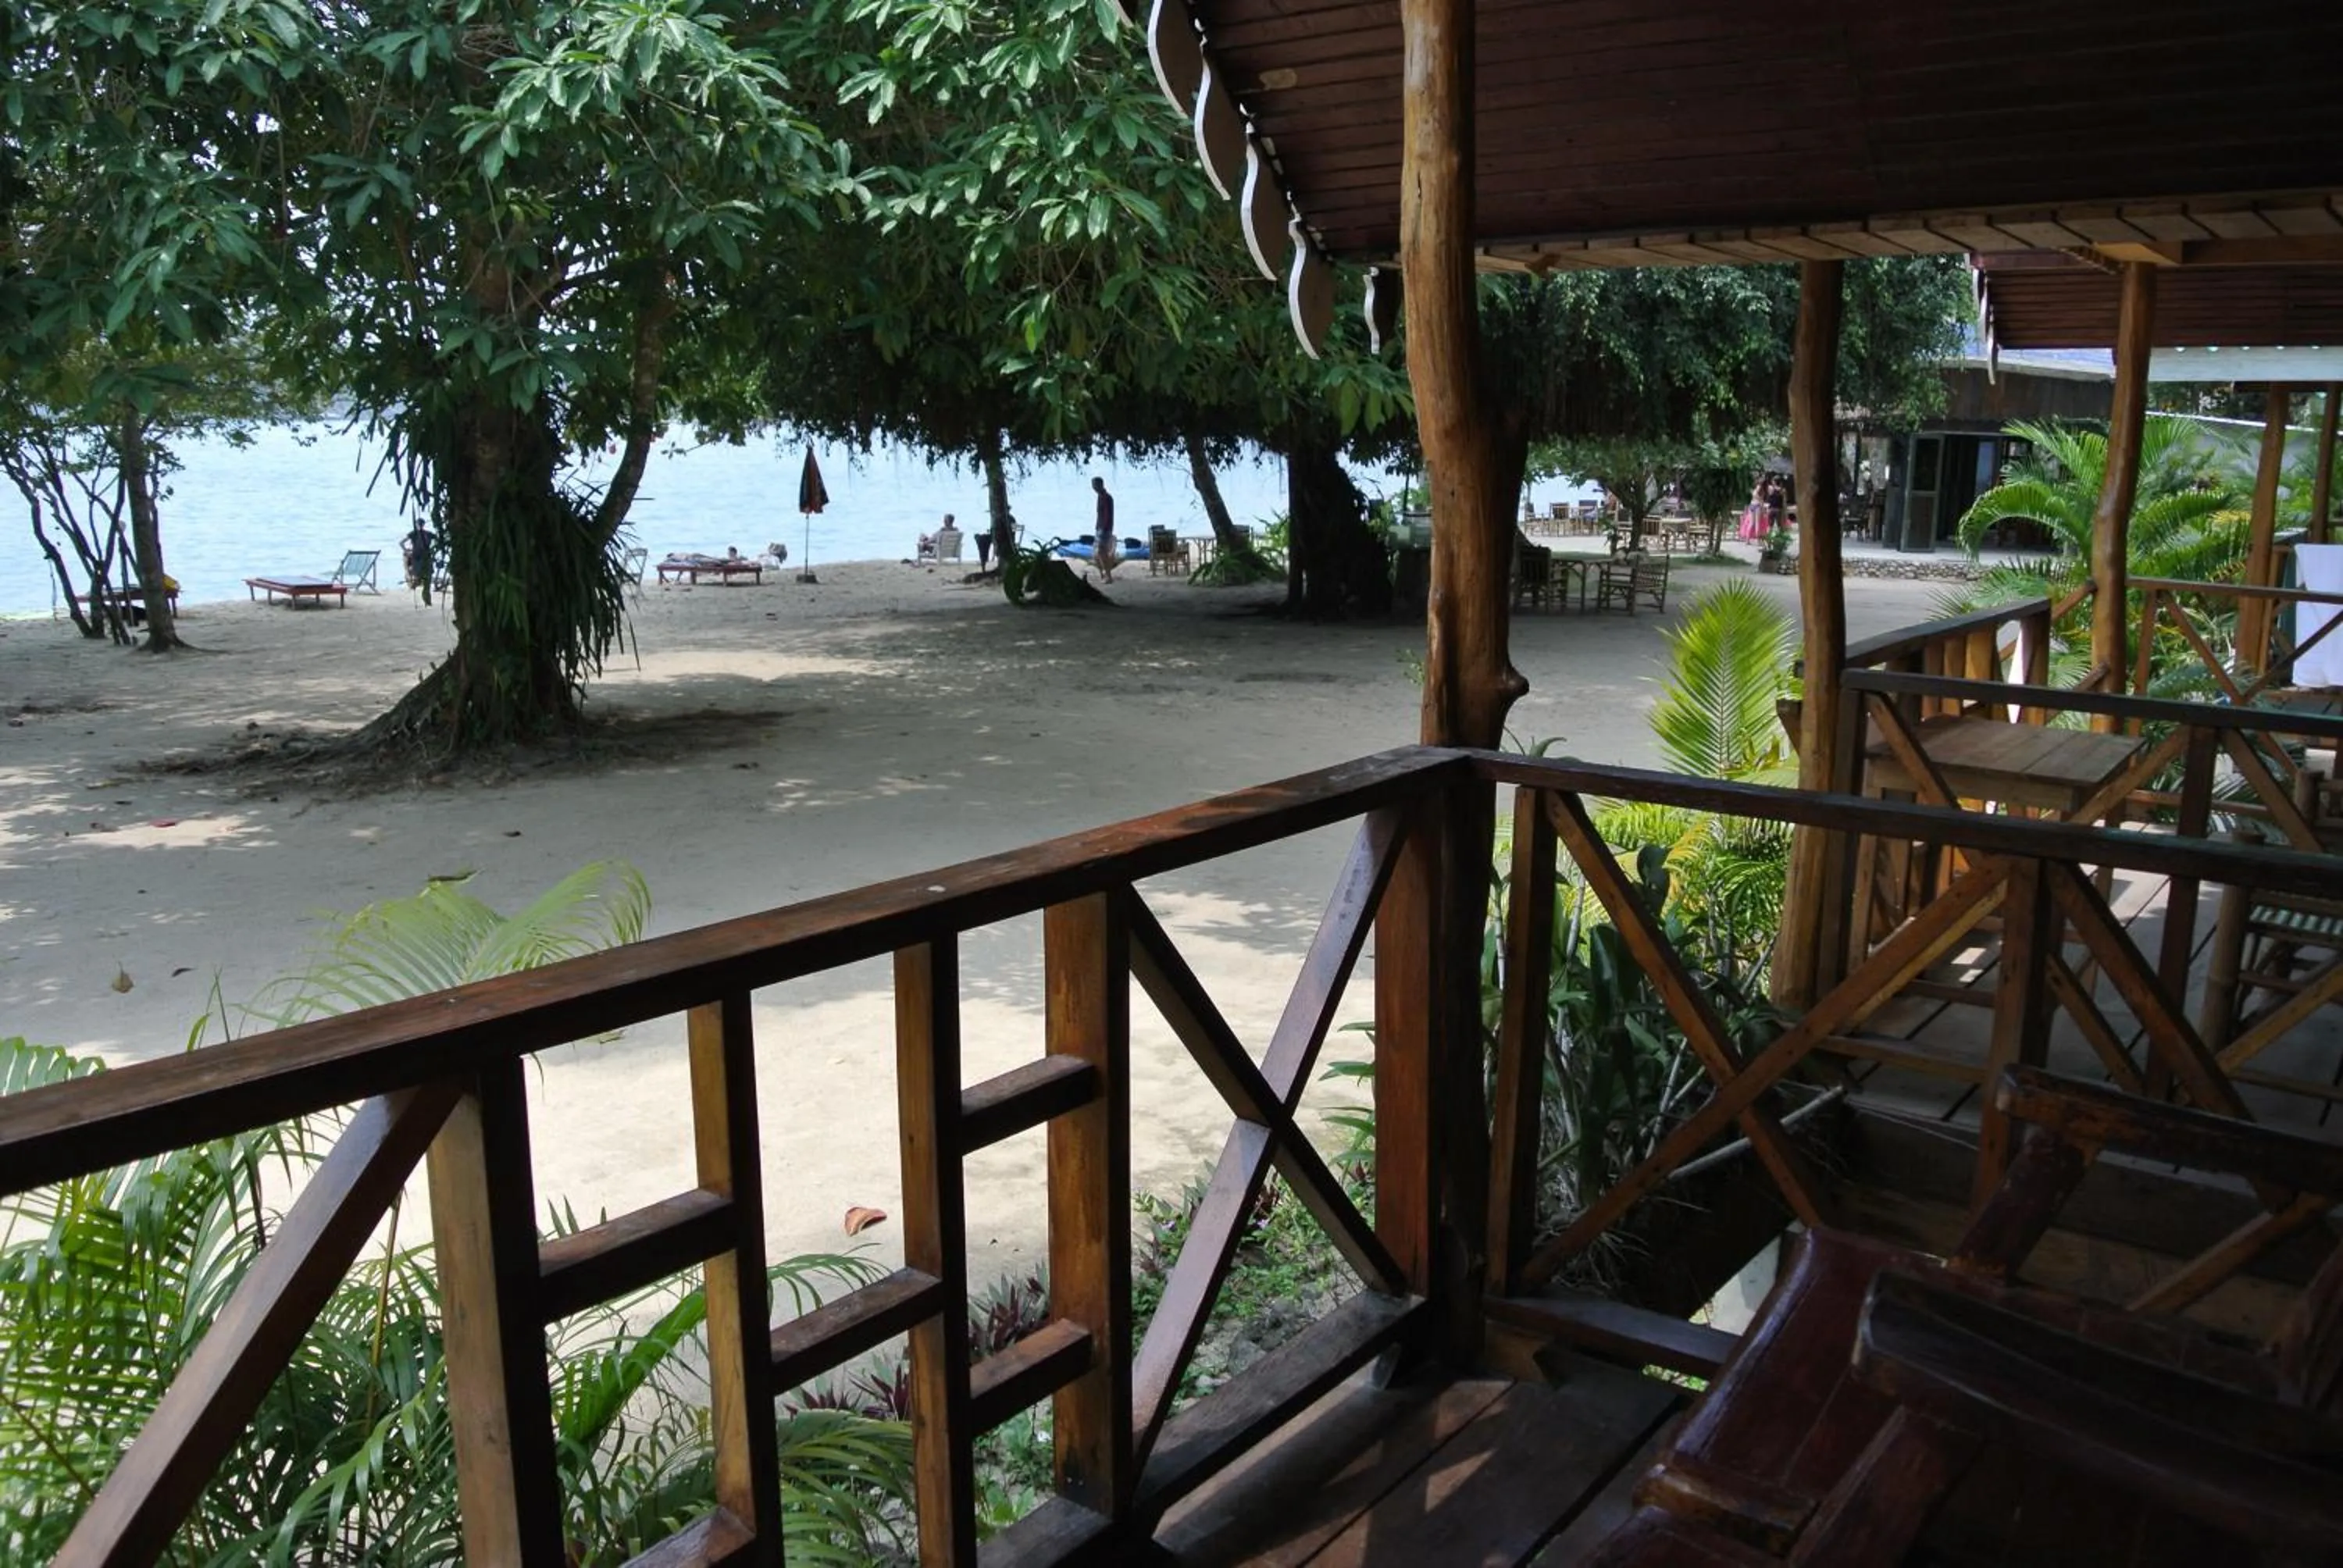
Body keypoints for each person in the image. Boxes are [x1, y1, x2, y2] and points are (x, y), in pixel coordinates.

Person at [1091, 476, 1118, 583]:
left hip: (1105, 528)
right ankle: (1104, 574)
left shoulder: (1107, 497)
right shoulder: (1100, 496)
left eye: (1095, 485)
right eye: (1093, 485)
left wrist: (1103, 528)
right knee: (1098, 553)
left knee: (1102, 552)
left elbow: (1107, 515)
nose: (1094, 488)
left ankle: (1108, 575)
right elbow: (1100, 514)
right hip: (1100, 528)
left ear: (1100, 485)